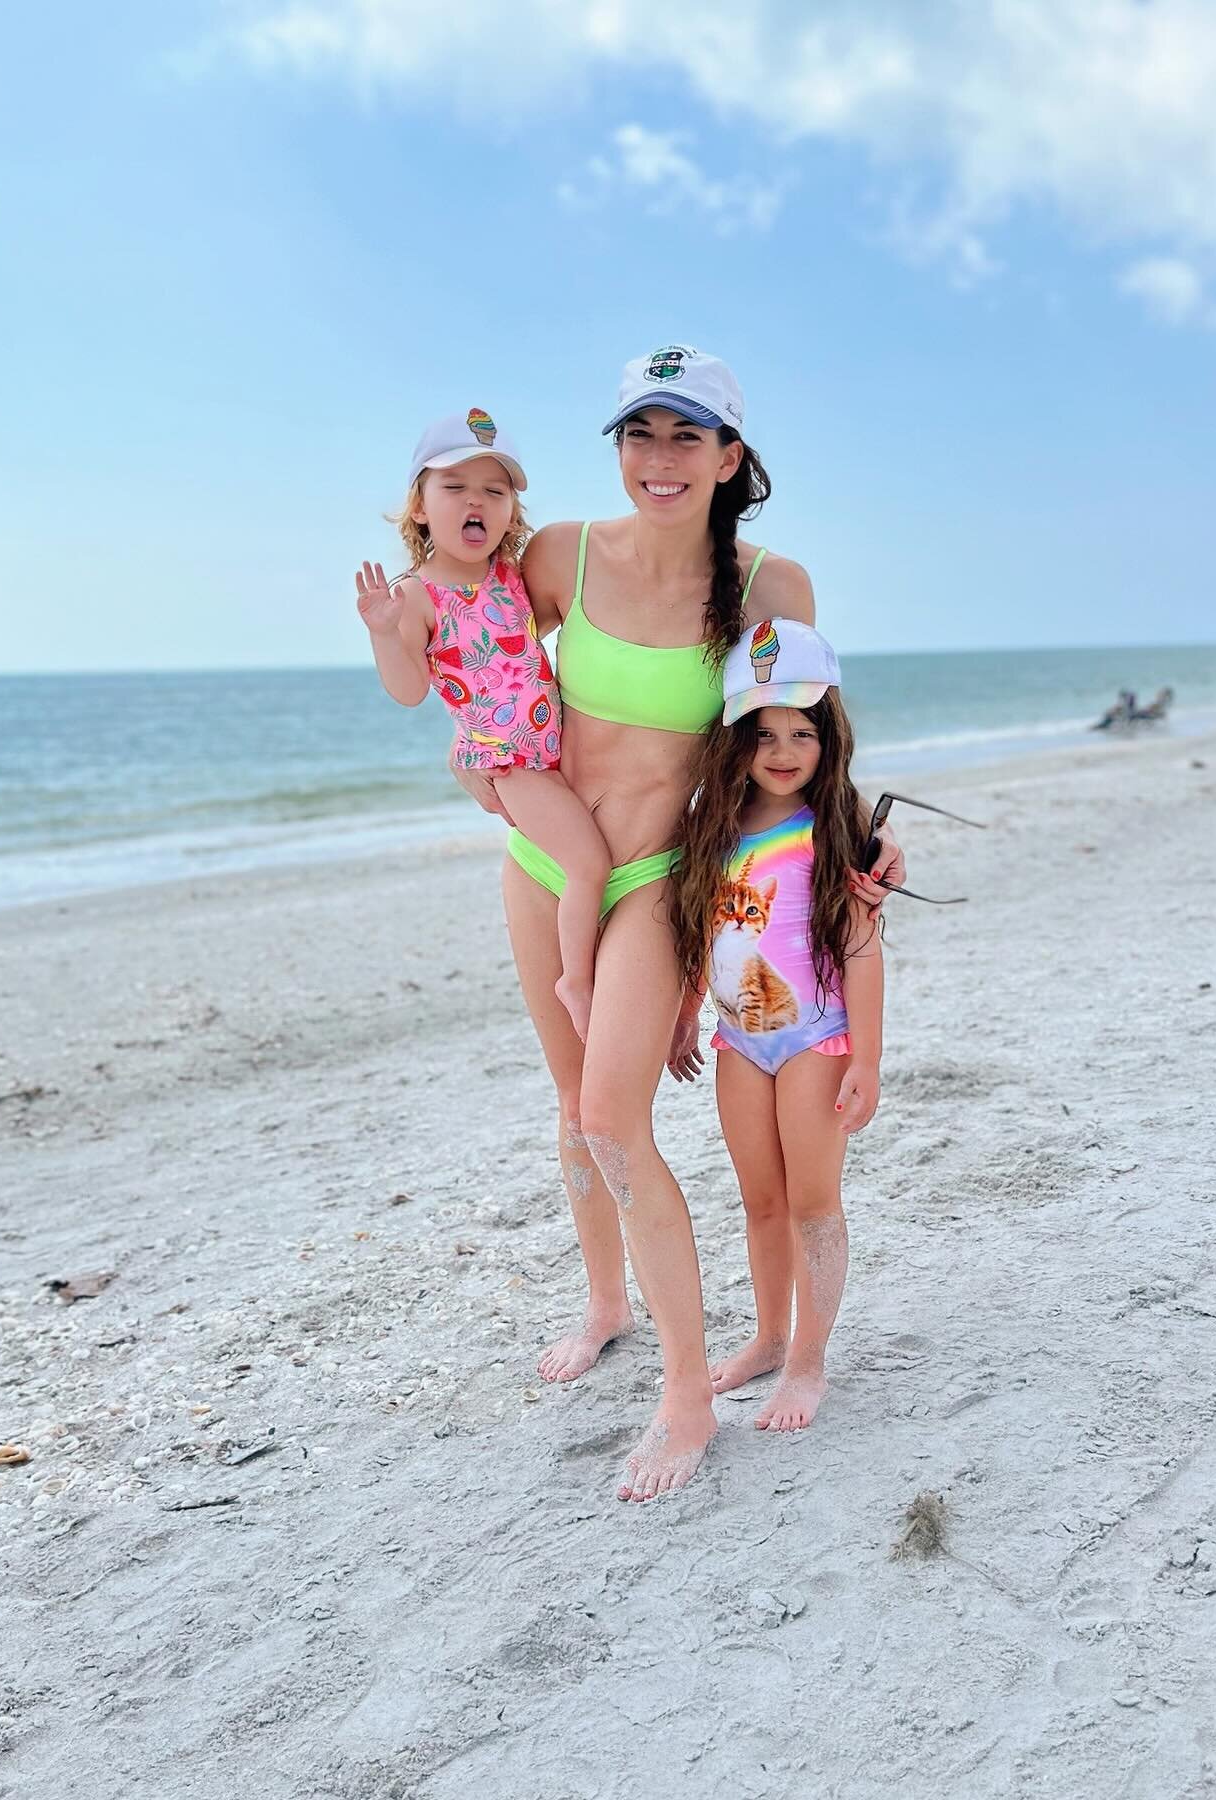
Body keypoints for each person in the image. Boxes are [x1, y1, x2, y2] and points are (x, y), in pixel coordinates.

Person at [448, 346, 904, 1501]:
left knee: (612, 1116)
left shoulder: (767, 587)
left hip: (657, 875)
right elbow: (478, 662)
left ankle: (687, 1399)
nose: (659, 458)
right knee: (571, 1108)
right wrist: (478, 768)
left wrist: (860, 835)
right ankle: (608, 1300)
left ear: (729, 457)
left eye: (686, 436)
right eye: (639, 434)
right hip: (544, 864)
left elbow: (802, 733)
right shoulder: (558, 556)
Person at [665, 620, 882, 1433]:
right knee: (760, 1200)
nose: (784, 750)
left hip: (816, 1037)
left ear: (829, 735)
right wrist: (687, 1014)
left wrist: (868, 1056)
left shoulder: (838, 825)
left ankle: (808, 1362)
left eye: (802, 732)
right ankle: (766, 1335)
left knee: (812, 1201)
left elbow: (862, 948)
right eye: (764, 734)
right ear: (736, 741)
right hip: (738, 1043)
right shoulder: (711, 827)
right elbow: (704, 934)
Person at [355, 411, 610, 1041]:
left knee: (596, 857)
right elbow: (411, 690)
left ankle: (601, 961)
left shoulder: (509, 577)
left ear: (511, 513)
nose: (476, 501)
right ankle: (575, 981)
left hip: (557, 747)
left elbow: (520, 647)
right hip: (510, 763)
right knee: (588, 866)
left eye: (494, 491)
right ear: (419, 507)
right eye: (454, 487)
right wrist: (386, 633)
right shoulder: (416, 595)